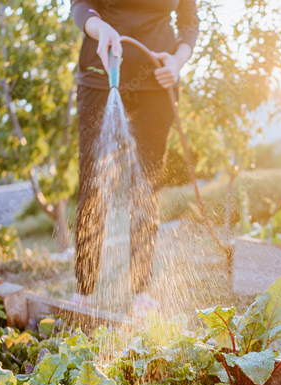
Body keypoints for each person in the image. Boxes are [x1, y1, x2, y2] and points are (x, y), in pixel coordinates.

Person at [70, 0, 199, 316]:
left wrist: (177, 62)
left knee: (145, 188)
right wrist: (101, 29)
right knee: (93, 186)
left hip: (157, 82)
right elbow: (79, 5)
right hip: (100, 74)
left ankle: (140, 293)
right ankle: (83, 292)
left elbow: (189, 21)